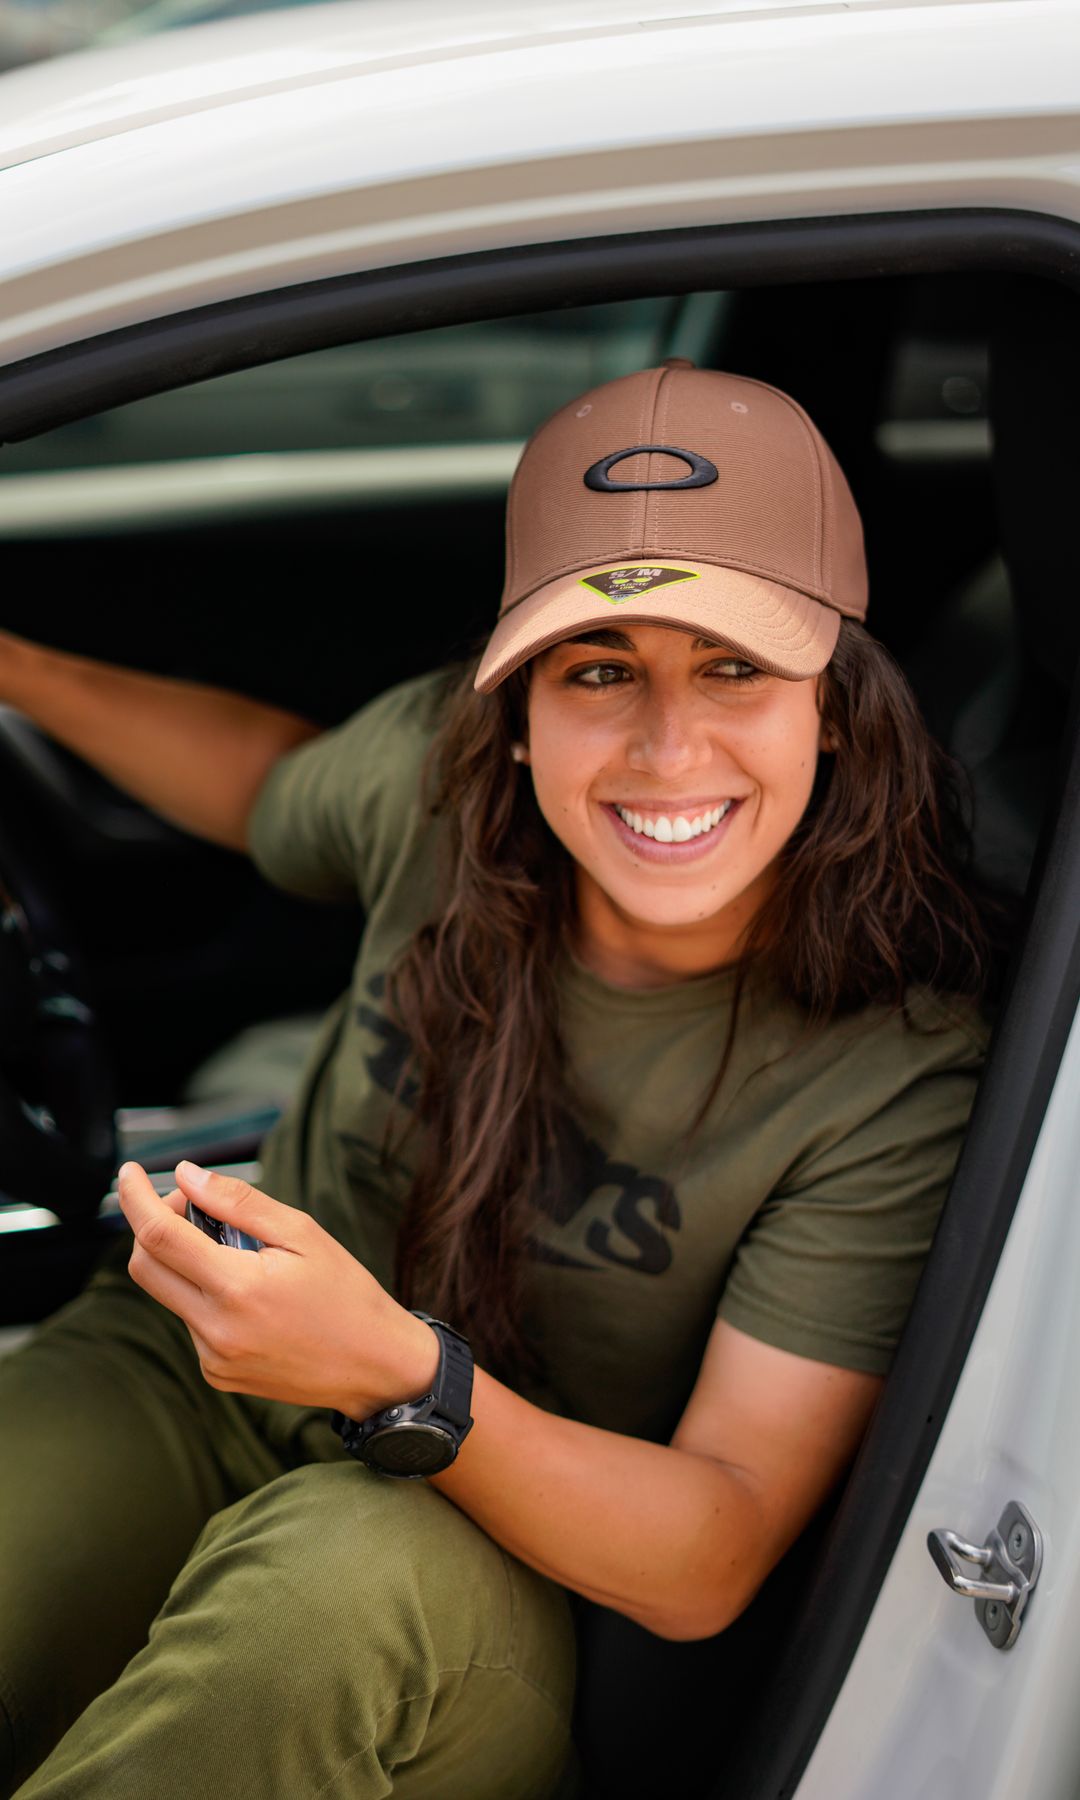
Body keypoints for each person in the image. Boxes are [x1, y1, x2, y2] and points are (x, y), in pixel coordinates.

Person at [0, 360, 992, 1799]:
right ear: (520, 707)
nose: (667, 748)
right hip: (197, 1372)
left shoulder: (892, 1074)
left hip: (495, 1548)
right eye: (602, 671)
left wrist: (402, 1375)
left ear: (833, 708)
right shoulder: (441, 786)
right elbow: (272, 781)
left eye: (734, 668)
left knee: (333, 1587)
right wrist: (15, 670)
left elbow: (715, 1548)